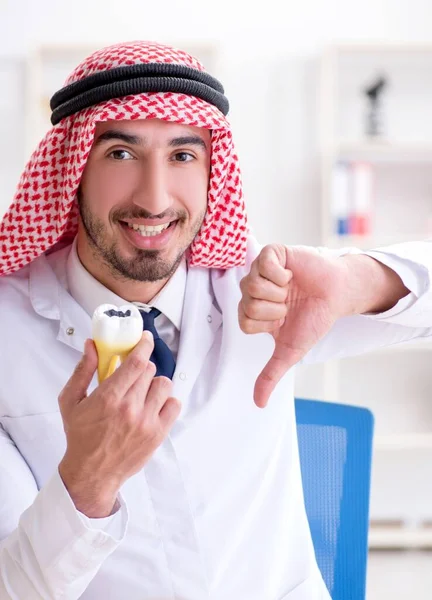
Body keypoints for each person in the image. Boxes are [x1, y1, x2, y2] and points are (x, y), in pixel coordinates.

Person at [0, 40, 430, 600]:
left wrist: (357, 281)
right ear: (74, 167)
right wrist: (85, 484)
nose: (154, 200)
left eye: (182, 155)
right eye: (121, 154)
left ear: (211, 172)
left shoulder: (263, 291)